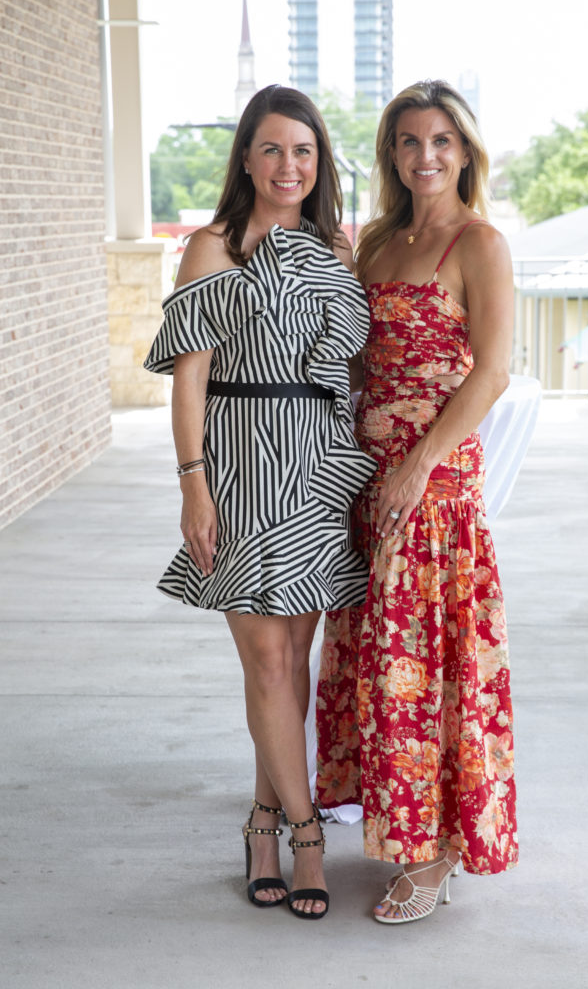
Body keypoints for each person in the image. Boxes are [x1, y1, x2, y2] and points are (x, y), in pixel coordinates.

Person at [143, 85, 376, 920]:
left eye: (304, 151)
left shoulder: (333, 250)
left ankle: (261, 821)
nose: (289, 165)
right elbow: (189, 376)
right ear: (245, 157)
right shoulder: (213, 247)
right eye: (273, 149)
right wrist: (192, 482)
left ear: (321, 164)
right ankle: (305, 832)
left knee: (293, 666)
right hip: (239, 461)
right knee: (266, 662)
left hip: (318, 464)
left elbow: (352, 365)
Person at [316, 79, 519, 924]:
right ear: (390, 154)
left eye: (440, 140)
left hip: (432, 491)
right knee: (379, 664)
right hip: (368, 481)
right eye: (407, 141)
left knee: (428, 670)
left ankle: (433, 855)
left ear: (465, 150)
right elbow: (359, 359)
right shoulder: (374, 242)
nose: (424, 155)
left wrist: (416, 466)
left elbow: (493, 372)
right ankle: (404, 828)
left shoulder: (479, 243)